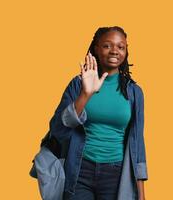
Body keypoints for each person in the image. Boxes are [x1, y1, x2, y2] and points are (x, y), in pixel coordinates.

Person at [48, 26, 148, 200]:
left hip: (116, 174)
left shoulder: (134, 92)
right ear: (96, 48)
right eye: (107, 46)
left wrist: (141, 194)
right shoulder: (78, 85)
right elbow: (58, 129)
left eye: (120, 47)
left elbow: (137, 143)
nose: (114, 51)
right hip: (79, 170)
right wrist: (85, 95)